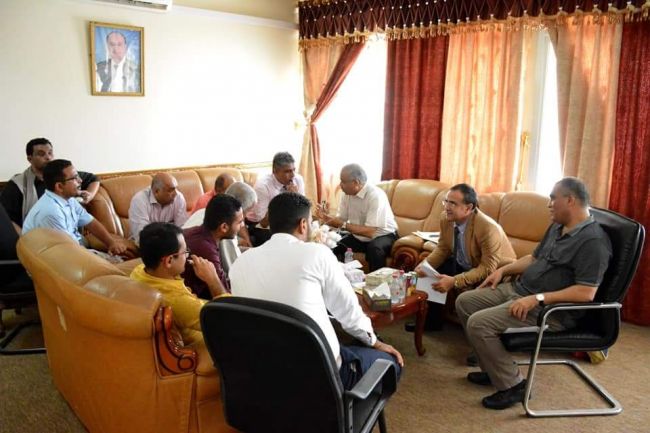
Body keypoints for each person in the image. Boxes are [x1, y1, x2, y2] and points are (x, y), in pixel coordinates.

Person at [456, 177, 612, 410]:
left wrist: (538, 299)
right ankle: (494, 368)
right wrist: (502, 271)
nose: (549, 204)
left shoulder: (594, 242)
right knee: (465, 301)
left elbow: (586, 292)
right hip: (520, 290)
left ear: (570, 200)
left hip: (548, 310)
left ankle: (514, 386)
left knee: (479, 324)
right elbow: (534, 258)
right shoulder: (558, 226)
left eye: (553, 199)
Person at [230, 192, 404, 390]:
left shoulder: (240, 263)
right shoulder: (317, 253)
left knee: (346, 348)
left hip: (264, 369)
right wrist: (375, 342)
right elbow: (348, 312)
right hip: (319, 374)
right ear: (303, 224)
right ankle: (346, 405)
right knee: (391, 362)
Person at [407, 184, 516, 333]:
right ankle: (432, 322)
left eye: (453, 203)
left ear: (468, 208)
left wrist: (455, 281)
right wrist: (424, 265)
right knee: (431, 271)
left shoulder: (488, 228)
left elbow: (487, 268)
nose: (447, 207)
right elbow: (443, 248)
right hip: (465, 263)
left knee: (447, 274)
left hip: (494, 272)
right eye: (446, 201)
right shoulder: (446, 218)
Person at [130, 222, 228, 346]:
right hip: (203, 346)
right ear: (169, 260)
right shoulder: (177, 301)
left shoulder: (139, 271)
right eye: (185, 252)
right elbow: (230, 320)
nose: (187, 256)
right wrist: (213, 279)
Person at [22, 159, 128, 256]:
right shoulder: (51, 212)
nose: (80, 181)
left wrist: (111, 243)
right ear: (59, 187)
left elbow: (90, 222)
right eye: (75, 178)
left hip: (73, 249)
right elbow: (68, 252)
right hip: (55, 260)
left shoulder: (69, 199)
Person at [1, 137, 100, 231]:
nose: (48, 157)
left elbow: (94, 179)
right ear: (30, 159)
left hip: (68, 231)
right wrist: (24, 239)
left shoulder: (65, 175)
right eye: (41, 154)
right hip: (36, 236)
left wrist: (89, 196)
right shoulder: (17, 185)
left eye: (50, 153)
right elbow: (7, 219)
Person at [316, 164, 398, 272]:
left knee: (374, 248)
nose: (340, 185)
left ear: (356, 182)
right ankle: (335, 277)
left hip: (383, 235)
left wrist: (342, 224)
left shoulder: (375, 195)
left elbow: (370, 232)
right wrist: (326, 217)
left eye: (343, 182)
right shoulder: (346, 194)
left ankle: (377, 282)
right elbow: (341, 219)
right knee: (334, 244)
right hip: (360, 237)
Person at [183, 194, 244, 299]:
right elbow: (225, 300)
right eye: (240, 222)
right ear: (224, 227)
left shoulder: (193, 232)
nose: (242, 226)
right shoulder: (206, 250)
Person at [245, 152, 305, 246]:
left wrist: (297, 197)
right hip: (258, 225)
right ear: (275, 171)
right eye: (288, 171)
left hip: (285, 221)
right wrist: (287, 199)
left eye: (294, 170)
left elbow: (303, 210)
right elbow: (264, 223)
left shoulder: (298, 179)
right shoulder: (262, 186)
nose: (293, 175)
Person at [128, 173, 188, 244]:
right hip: (145, 244)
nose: (175, 194)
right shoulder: (139, 200)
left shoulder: (179, 198)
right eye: (170, 190)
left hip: (172, 244)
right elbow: (142, 237)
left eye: (175, 188)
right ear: (156, 191)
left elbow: (182, 229)